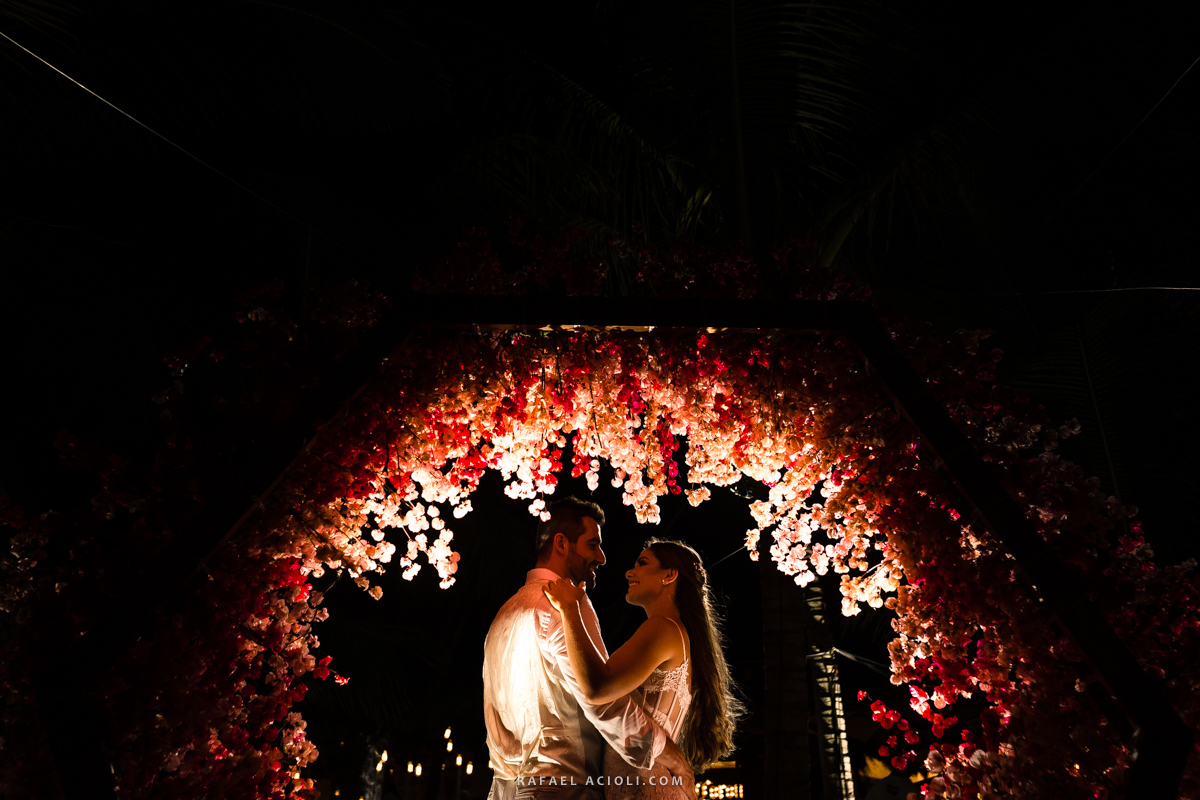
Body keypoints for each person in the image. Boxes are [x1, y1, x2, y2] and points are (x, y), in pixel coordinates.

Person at [483, 497, 694, 800]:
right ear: (561, 543)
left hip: (503, 789)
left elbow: (493, 713)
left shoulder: (504, 614)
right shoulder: (566, 607)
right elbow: (602, 701)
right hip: (563, 787)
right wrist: (673, 758)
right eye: (592, 545)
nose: (602, 558)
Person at [543, 539, 743, 800]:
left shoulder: (662, 628)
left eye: (642, 563)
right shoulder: (674, 633)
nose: (629, 572)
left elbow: (597, 689)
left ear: (669, 575)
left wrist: (569, 608)